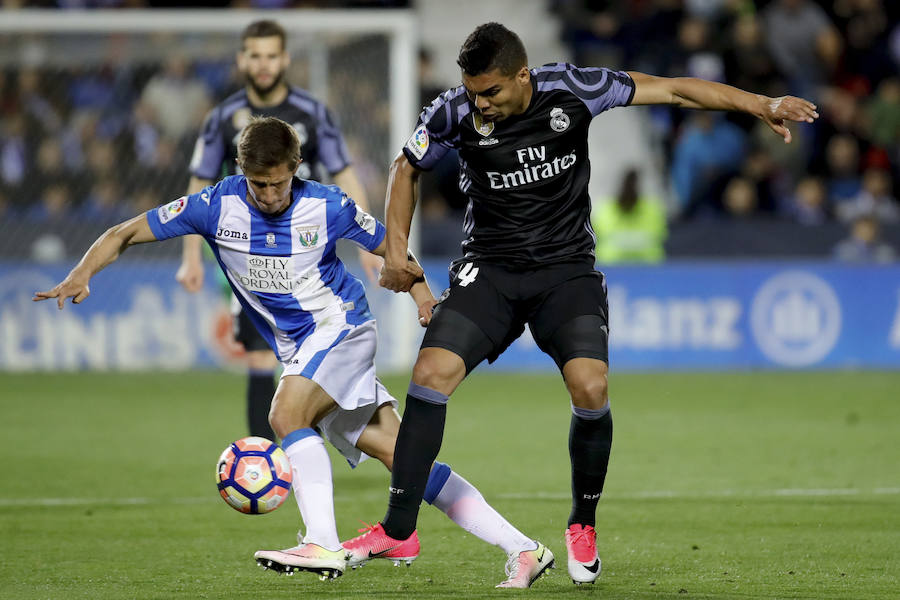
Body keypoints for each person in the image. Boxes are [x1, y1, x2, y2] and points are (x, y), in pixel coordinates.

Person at [362, 22, 820, 586]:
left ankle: (582, 523)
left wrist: (759, 103)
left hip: (565, 271)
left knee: (592, 387)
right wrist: (398, 252)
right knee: (430, 373)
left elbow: (674, 89)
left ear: (522, 75)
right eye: (474, 92)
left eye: (492, 93)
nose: (481, 104)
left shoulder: (575, 89)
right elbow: (405, 168)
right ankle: (399, 529)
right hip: (491, 271)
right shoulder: (453, 111)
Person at [33, 116, 551, 589]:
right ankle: (524, 548)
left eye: (279, 182)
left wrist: (420, 295)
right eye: (258, 184)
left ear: (295, 168)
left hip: (342, 328)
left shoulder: (328, 205)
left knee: (284, 412)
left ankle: (321, 542)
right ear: (242, 172)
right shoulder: (214, 206)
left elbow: (390, 248)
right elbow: (123, 232)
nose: (269, 194)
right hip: (302, 349)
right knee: (404, 455)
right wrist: (82, 272)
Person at [176, 19, 382, 442]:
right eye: (256, 55)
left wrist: (368, 242)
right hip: (248, 250)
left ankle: (303, 449)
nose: (264, 64)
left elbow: (343, 171)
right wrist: (191, 256)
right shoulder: (222, 118)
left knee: (311, 362)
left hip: (307, 253)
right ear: (242, 59)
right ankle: (268, 460)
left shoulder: (313, 112)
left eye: (272, 55)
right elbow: (197, 185)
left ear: (285, 59)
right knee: (258, 358)